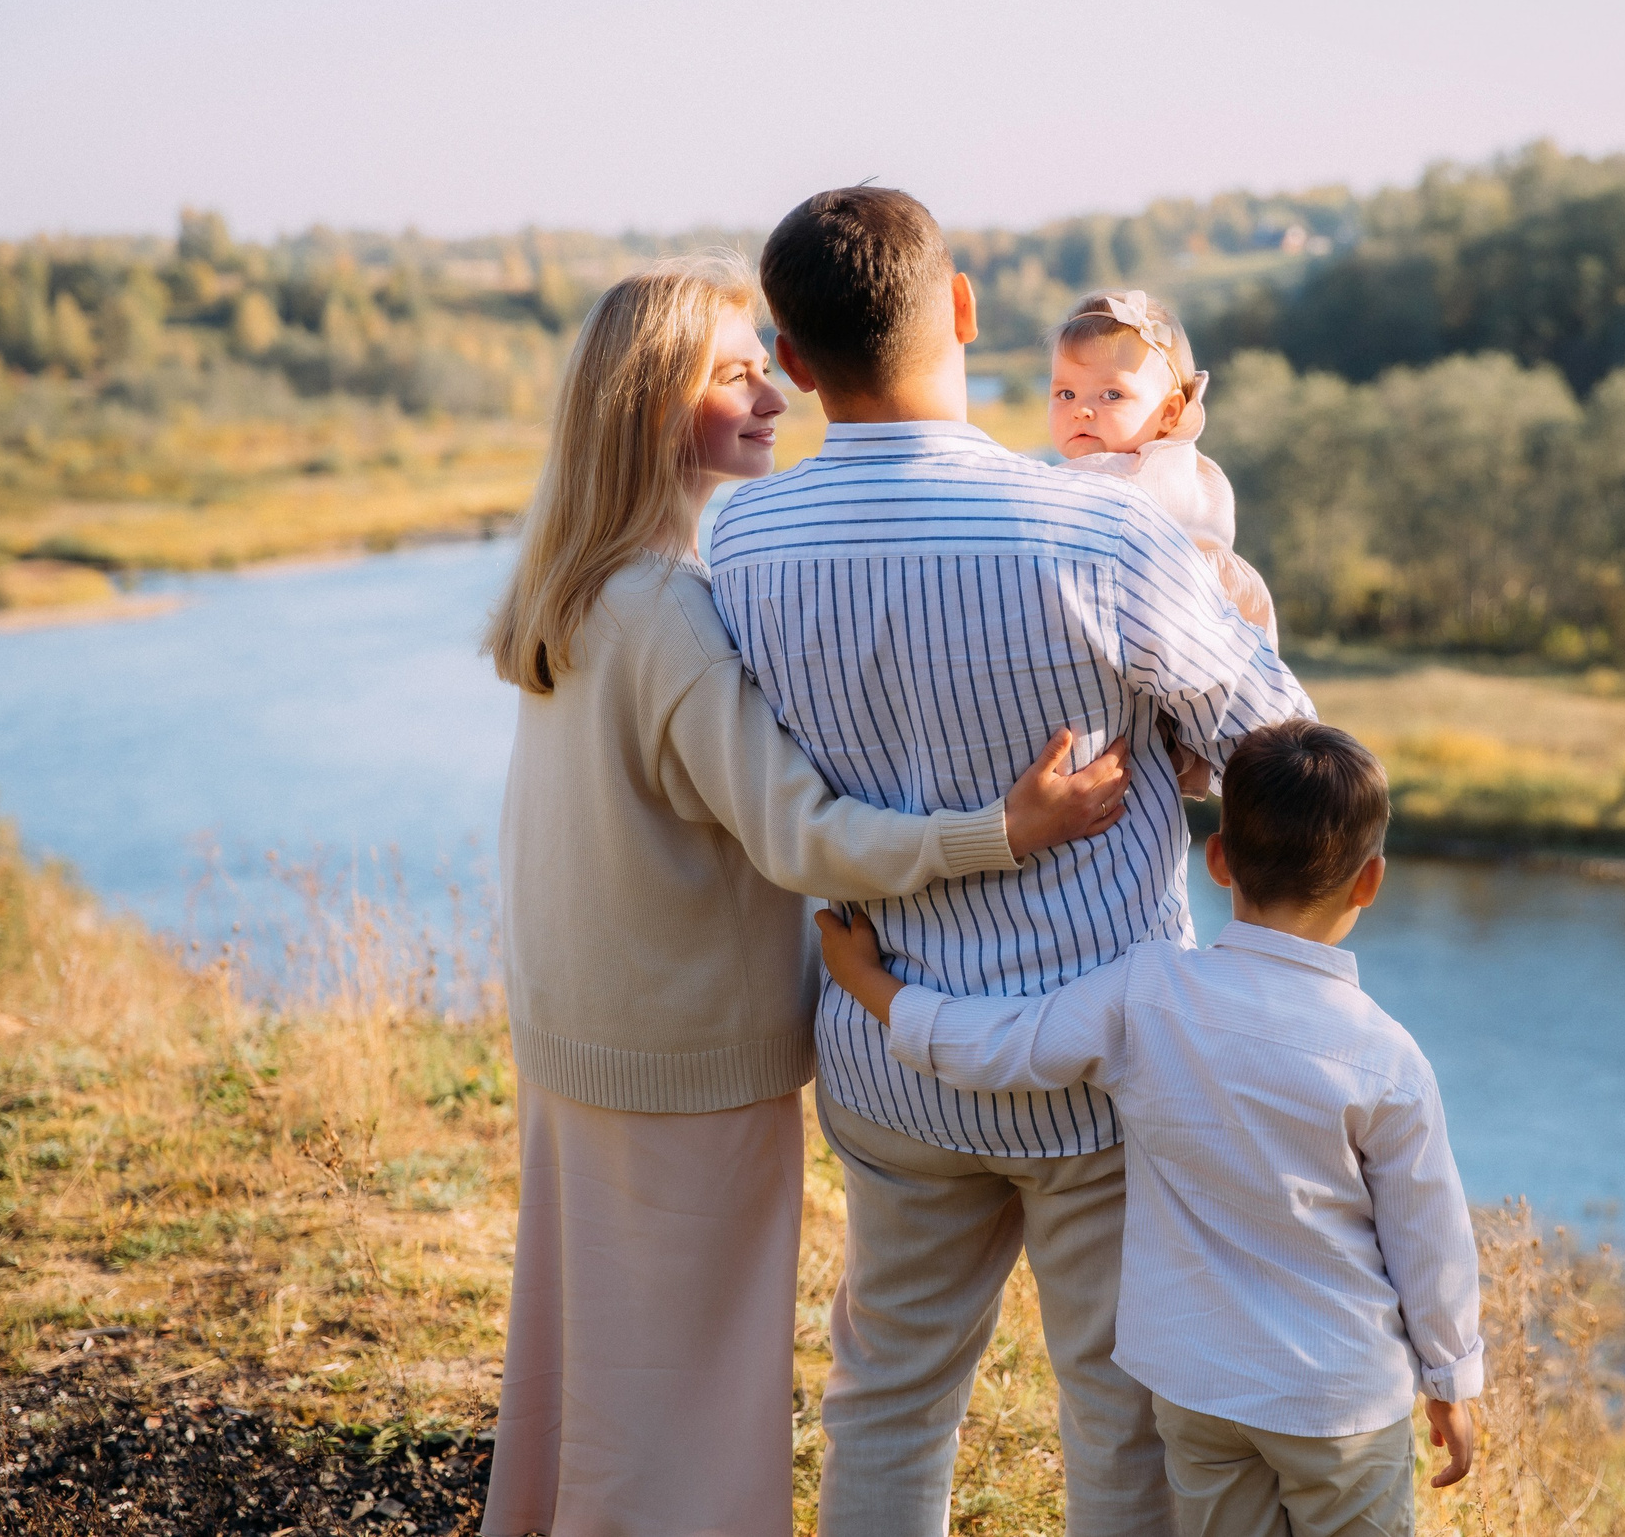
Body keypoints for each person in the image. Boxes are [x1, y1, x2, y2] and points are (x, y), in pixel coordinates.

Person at [478, 257, 1133, 1537]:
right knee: (690, 1393)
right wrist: (998, 830)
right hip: (682, 1058)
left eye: (767, 362)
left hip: (579, 1036)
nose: (778, 391)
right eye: (735, 373)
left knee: (592, 1372)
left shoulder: (577, 584)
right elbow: (802, 835)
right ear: (646, 405)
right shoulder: (667, 606)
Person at [709, 187, 1316, 1537]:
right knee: (1120, 1407)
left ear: (796, 362)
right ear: (966, 311)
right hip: (1106, 1070)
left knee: (887, 1394)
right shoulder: (1106, 533)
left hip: (886, 1046)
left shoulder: (741, 540)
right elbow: (1286, 749)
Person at [817, 720, 1483, 1537]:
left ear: (1218, 860)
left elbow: (1000, 1048)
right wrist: (1451, 1377)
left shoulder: (1148, 994)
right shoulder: (1384, 1057)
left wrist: (873, 986)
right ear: (1370, 881)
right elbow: (1430, 1237)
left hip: (1197, 1392)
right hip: (1335, 1400)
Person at [1047, 287, 1277, 636]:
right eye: (1066, 394)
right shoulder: (1191, 466)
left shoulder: (1123, 475)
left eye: (1112, 394)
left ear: (1168, 412)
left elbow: (1042, 508)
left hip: (1173, 622)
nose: (1081, 409)